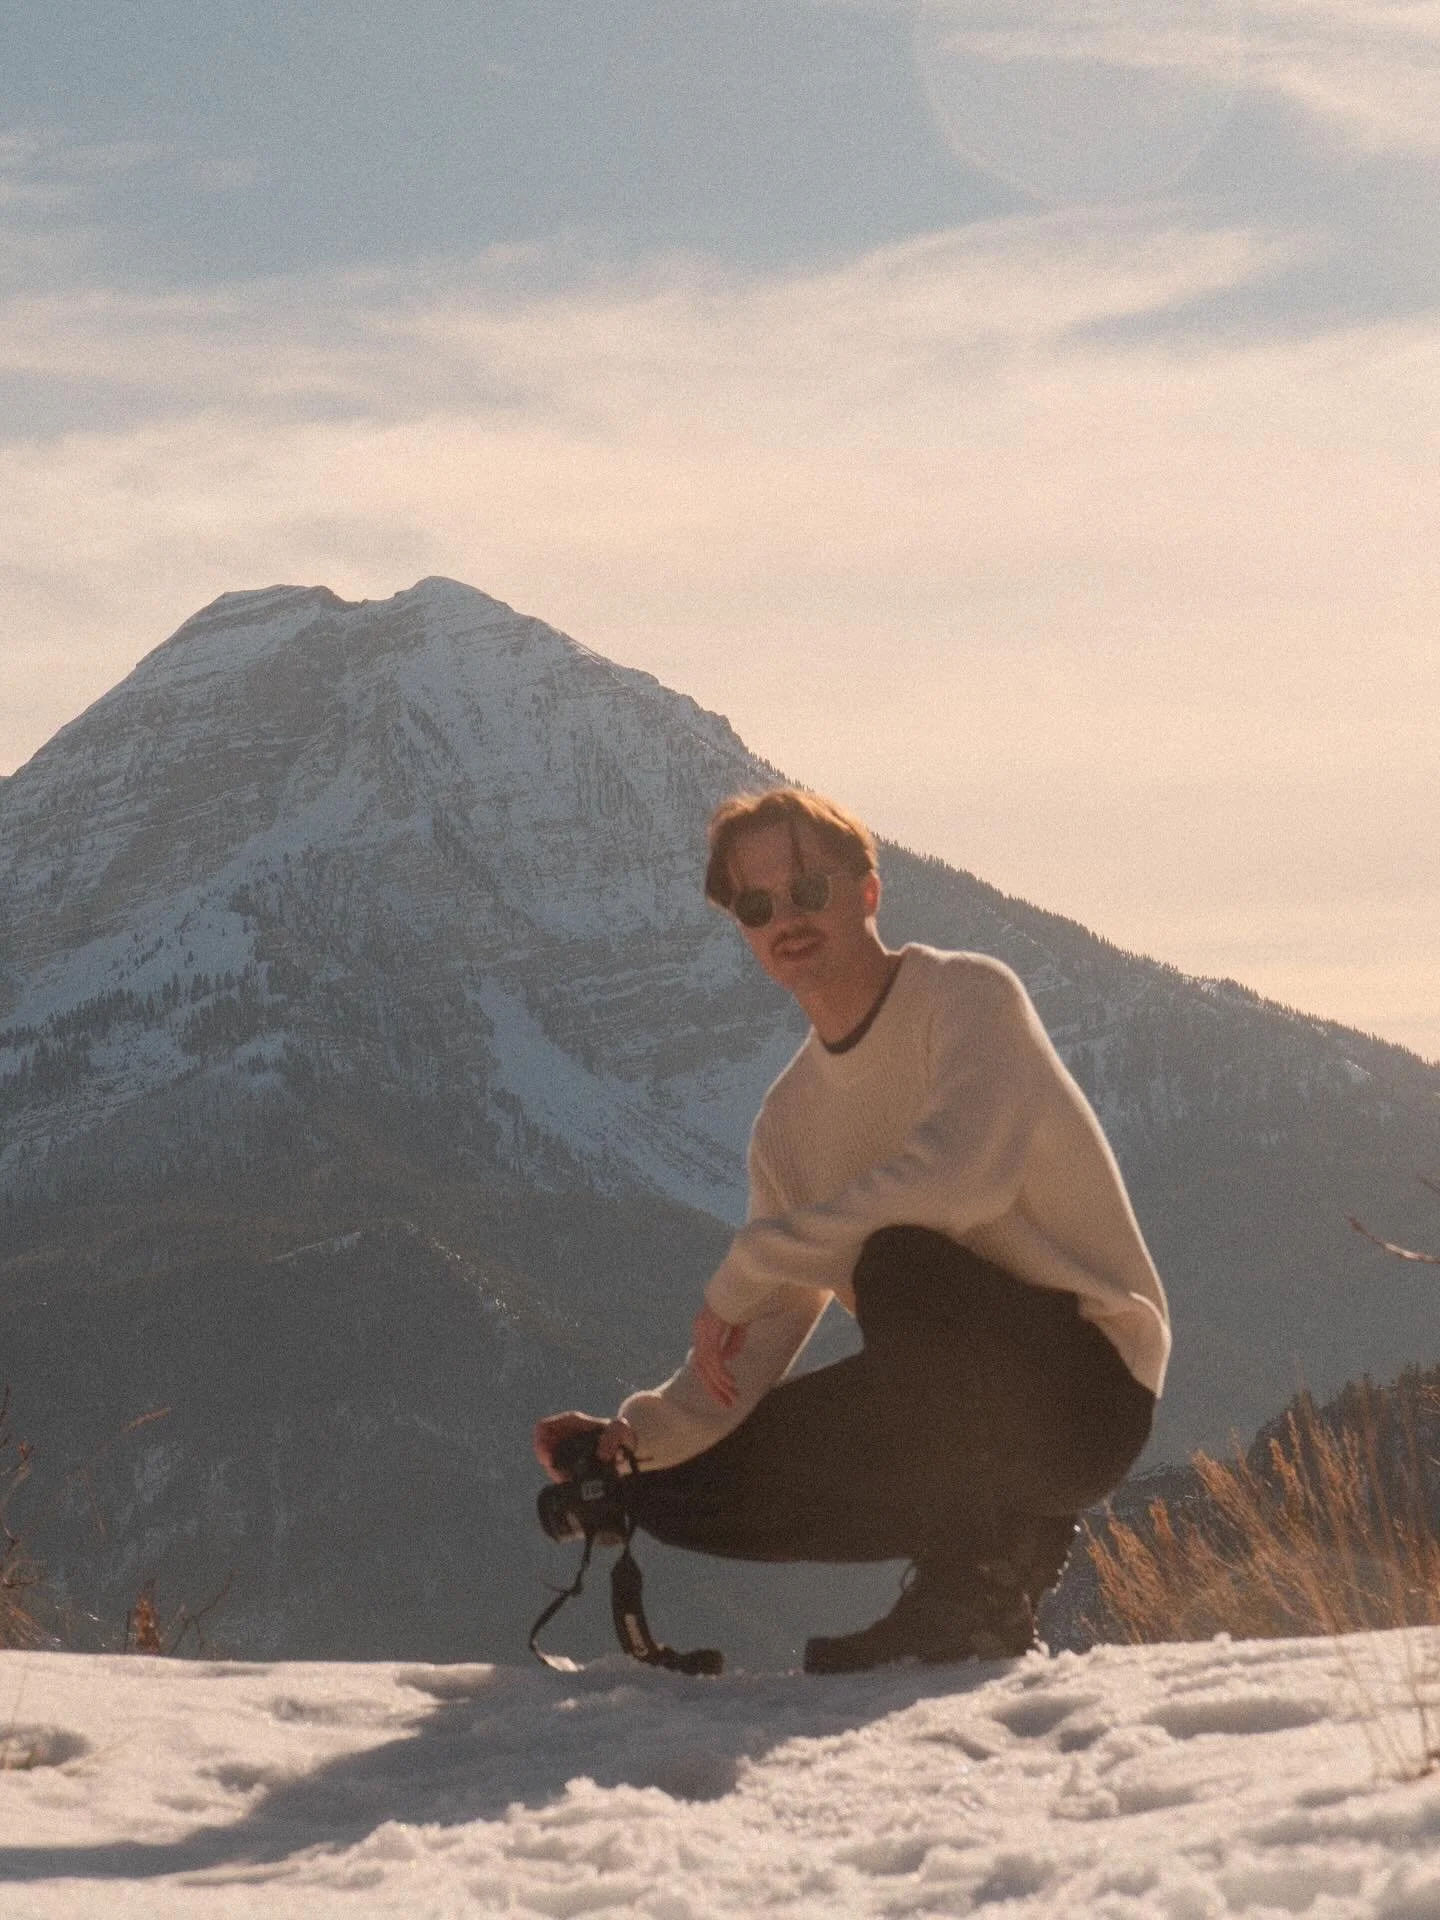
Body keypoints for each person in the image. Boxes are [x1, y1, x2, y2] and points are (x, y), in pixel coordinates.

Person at [534, 788, 1170, 1672]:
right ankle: (965, 1567)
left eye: (809, 890)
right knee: (675, 1486)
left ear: (867, 892)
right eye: (757, 907)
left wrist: (748, 1265)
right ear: (747, 935)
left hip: (1083, 1397)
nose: (785, 919)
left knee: (903, 1261)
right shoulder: (788, 1123)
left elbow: (957, 1178)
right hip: (943, 1412)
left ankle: (981, 1580)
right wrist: (632, 1440)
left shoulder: (968, 996)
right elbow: (754, 1344)